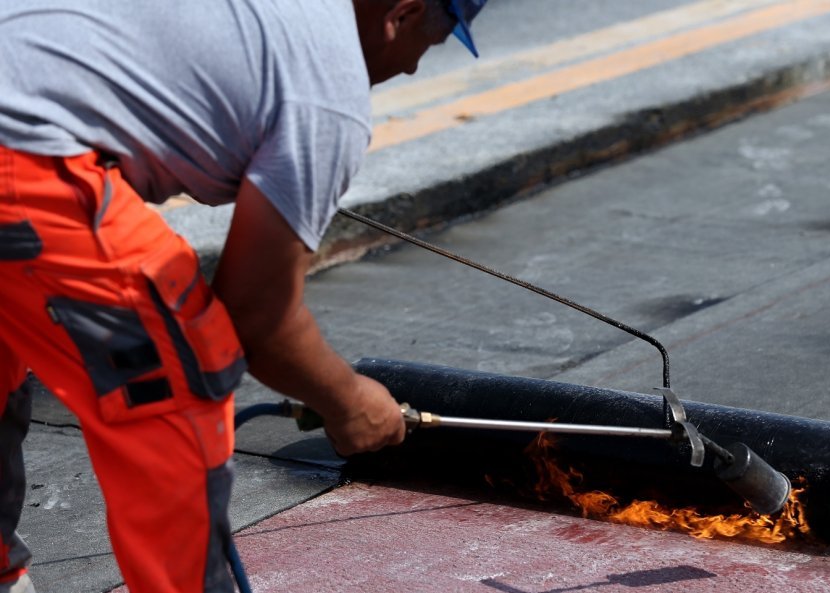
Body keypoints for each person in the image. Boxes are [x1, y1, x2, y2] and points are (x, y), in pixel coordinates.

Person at [0, 0, 488, 591]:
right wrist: (351, 402)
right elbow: (258, 320)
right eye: (431, 45)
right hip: (22, 160)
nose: (412, 70)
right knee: (176, 384)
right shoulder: (328, 91)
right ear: (404, 13)